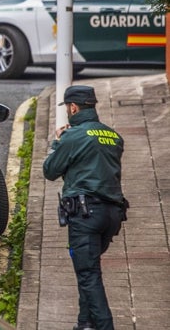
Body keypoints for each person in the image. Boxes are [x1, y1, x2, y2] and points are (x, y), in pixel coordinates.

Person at [43, 85, 127, 330]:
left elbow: (50, 171)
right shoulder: (113, 136)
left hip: (85, 215)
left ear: (73, 107)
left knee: (89, 274)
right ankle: (85, 323)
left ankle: (104, 326)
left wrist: (58, 143)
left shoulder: (73, 136)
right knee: (88, 268)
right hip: (112, 215)